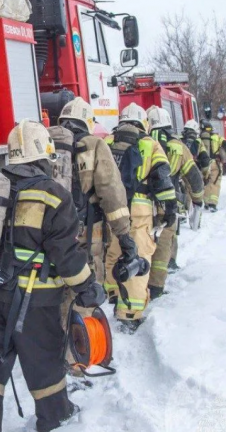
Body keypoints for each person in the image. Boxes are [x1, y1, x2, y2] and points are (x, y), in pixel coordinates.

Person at [0, 120, 103, 432]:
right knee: (44, 366)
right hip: (34, 304)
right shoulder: (53, 196)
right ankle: (56, 419)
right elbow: (66, 256)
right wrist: (87, 288)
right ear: (42, 157)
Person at [55, 98, 136, 319]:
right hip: (85, 231)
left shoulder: (46, 143)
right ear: (88, 122)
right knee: (85, 284)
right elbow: (111, 191)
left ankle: (56, 338)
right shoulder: (94, 145)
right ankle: (80, 341)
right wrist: (124, 233)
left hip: (48, 233)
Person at [103, 103, 177, 332]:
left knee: (113, 252)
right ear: (142, 123)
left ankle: (113, 295)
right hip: (139, 213)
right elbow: (163, 181)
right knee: (137, 258)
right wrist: (170, 210)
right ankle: (130, 313)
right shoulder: (151, 145)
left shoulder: (106, 142)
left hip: (111, 211)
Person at [145, 107, 205, 299]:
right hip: (168, 204)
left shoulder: (142, 143)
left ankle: (138, 284)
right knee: (163, 243)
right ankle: (155, 287)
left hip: (141, 204)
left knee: (142, 243)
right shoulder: (179, 147)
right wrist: (198, 200)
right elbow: (193, 177)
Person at [200, 120, 226, 212]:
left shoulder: (199, 138)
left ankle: (206, 203)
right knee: (215, 183)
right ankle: (213, 204)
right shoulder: (218, 138)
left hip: (203, 164)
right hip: (215, 164)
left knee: (205, 183)